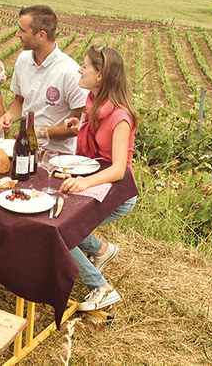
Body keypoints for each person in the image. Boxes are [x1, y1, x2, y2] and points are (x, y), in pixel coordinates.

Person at [60, 44, 138, 313]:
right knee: (62, 219)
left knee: (61, 230)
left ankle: (101, 288)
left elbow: (118, 169)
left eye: (84, 66)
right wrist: (79, 127)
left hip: (117, 193)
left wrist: (82, 183)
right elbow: (96, 144)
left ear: (100, 76)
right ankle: (101, 251)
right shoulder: (94, 104)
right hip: (97, 181)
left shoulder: (120, 116)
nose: (79, 70)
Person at [0, 5, 85, 153]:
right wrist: (9, 116)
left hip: (57, 154)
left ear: (41, 35)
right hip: (25, 148)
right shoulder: (23, 60)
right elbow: (19, 100)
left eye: (22, 30)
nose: (17, 34)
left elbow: (81, 124)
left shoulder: (69, 71)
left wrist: (38, 133)